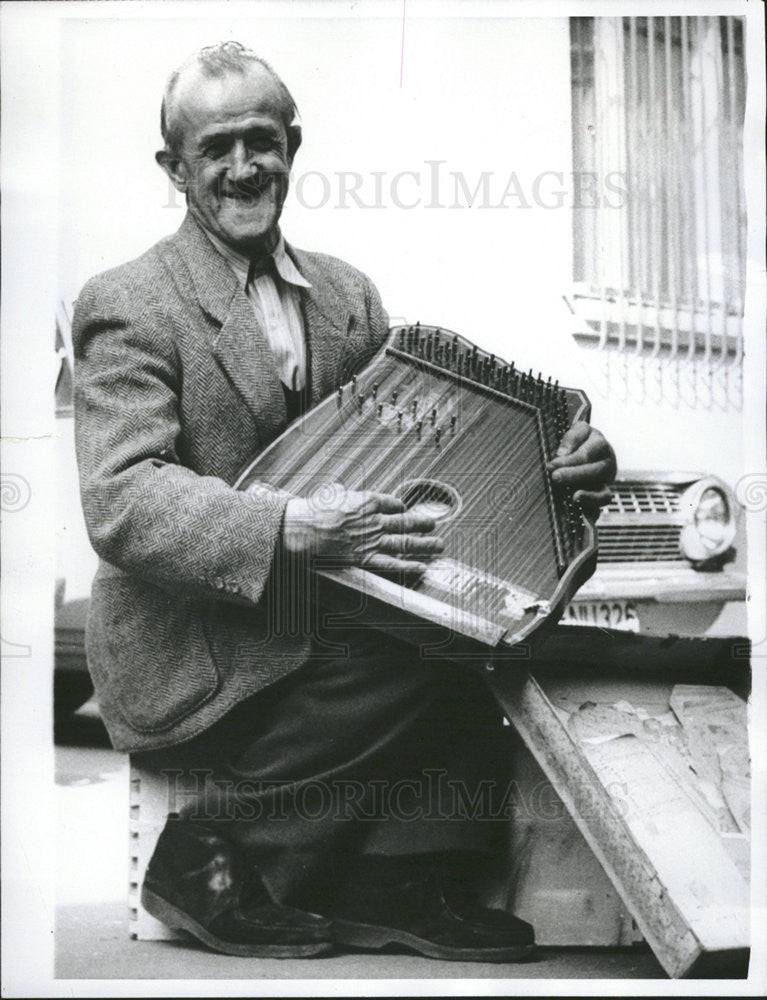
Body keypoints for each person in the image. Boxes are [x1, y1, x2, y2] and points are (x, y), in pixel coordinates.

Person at [73, 41, 616, 961]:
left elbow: (422, 447)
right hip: (198, 633)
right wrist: (294, 526)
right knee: (399, 649)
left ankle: (400, 880)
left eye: (260, 140)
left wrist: (564, 468)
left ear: (293, 143)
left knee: (476, 623)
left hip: (312, 608)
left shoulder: (348, 297)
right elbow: (121, 499)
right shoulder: (128, 301)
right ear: (176, 169)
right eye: (215, 150)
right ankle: (209, 854)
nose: (243, 168)